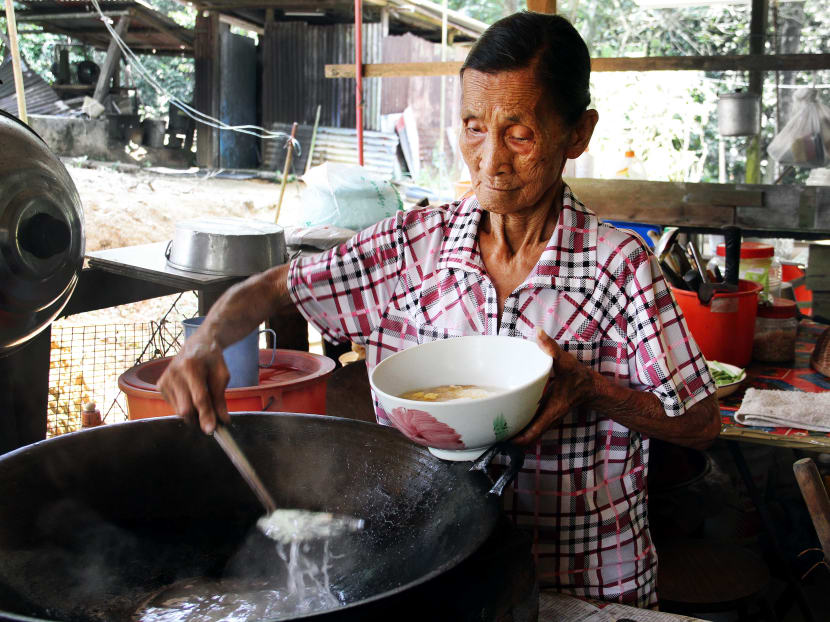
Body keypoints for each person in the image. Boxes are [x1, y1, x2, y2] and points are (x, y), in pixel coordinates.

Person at [159, 11, 720, 608]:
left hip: (585, 590)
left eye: (520, 134)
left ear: (577, 133)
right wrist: (204, 344)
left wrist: (587, 389)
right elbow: (275, 288)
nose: (490, 160)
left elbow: (700, 423)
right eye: (474, 128)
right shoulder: (411, 246)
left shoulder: (619, 265)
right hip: (435, 579)